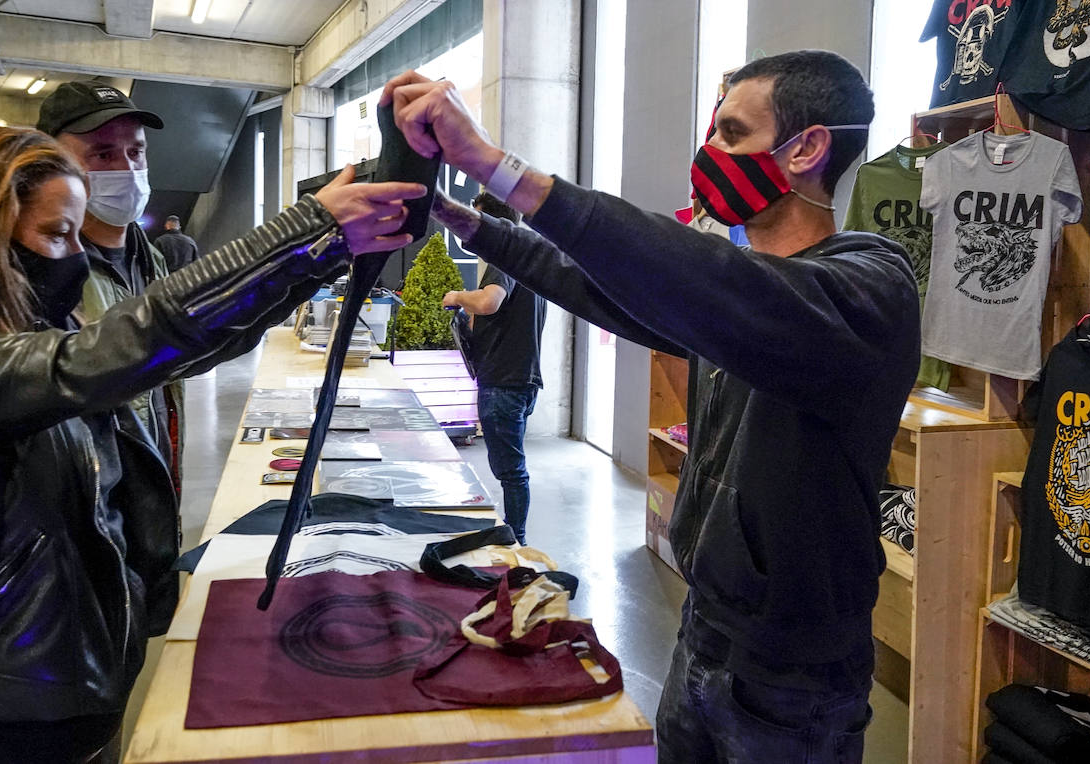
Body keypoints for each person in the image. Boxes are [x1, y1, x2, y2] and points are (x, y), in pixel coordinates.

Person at [383, 50, 920, 763]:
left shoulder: (867, 290)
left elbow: (710, 279)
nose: (711, 154)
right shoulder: (736, 298)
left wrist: (492, 164)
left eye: (732, 133)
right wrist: (464, 219)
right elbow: (599, 287)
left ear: (808, 149)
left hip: (795, 667)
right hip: (703, 627)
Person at [0, 124, 422, 763]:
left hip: (73, 680)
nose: (74, 259)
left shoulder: (1, 332)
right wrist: (302, 229)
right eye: (56, 235)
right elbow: (105, 354)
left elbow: (181, 352)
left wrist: (324, 255)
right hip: (4, 708)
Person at [37, 82, 184, 490]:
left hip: (152, 479)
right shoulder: (42, 271)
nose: (127, 170)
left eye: (135, 152)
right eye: (102, 154)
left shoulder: (148, 256)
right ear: (51, 162)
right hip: (92, 501)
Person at [440, 192, 546, 545]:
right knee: (511, 469)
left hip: (505, 382)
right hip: (518, 379)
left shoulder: (506, 256)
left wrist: (457, 296)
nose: (470, 231)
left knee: (511, 472)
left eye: (477, 220)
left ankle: (515, 541)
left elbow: (489, 302)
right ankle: (515, 535)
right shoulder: (527, 259)